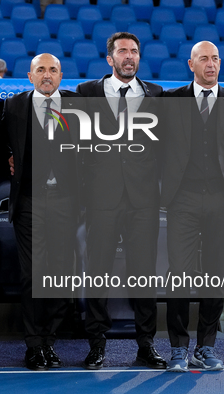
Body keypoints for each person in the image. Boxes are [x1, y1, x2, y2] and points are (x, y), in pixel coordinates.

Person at [160, 41, 224, 372]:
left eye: (215, 58)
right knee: (178, 275)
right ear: (191, 64)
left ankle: (206, 346)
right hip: (182, 200)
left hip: (222, 201)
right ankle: (177, 349)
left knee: (215, 275)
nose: (211, 64)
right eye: (204, 59)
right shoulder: (170, 102)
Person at [75, 32, 165, 370]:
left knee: (144, 274)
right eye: (123, 51)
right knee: (97, 272)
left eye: (135, 51)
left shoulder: (156, 94)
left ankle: (146, 346)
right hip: (101, 201)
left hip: (144, 201)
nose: (129, 56)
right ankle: (97, 346)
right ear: (109, 58)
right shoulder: (86, 93)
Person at [1, 53, 80, 371]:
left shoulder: (78, 106)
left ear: (61, 76)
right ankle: (34, 346)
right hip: (29, 203)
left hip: (66, 202)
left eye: (52, 70)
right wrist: (8, 159)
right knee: (33, 276)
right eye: (40, 70)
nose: (47, 75)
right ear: (29, 76)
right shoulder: (14, 106)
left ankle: (49, 340)